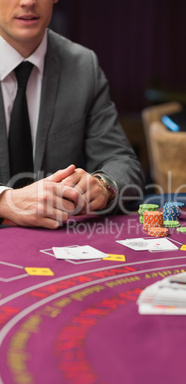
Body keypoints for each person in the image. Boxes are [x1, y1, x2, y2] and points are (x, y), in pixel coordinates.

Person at [0, 0, 144, 229]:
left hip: (59, 242)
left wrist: (103, 185)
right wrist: (5, 201)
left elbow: (122, 161)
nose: (27, 1)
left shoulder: (83, 65)